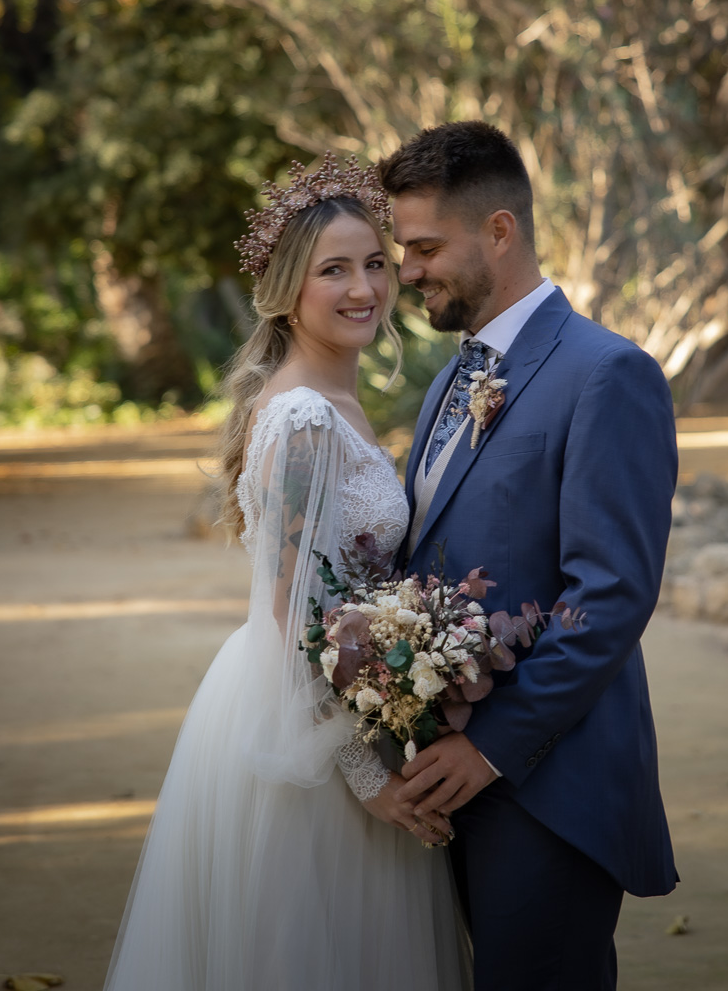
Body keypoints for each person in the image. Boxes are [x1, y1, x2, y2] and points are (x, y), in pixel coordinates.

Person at [101, 158, 469, 991]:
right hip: (308, 737)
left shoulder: (333, 401)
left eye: (374, 263)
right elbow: (291, 612)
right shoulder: (303, 418)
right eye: (333, 270)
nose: (363, 288)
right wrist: (368, 778)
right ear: (286, 290)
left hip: (346, 705)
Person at [382, 122, 680, 991]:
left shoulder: (608, 373)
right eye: (404, 251)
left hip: (549, 786)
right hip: (452, 778)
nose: (407, 272)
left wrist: (490, 748)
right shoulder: (451, 378)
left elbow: (610, 594)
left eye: (426, 248)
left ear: (500, 231)